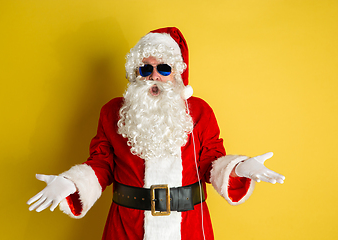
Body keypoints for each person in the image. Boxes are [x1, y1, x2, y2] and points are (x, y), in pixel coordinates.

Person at [27, 27, 285, 240]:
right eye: (145, 69)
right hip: (127, 226)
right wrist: (70, 183)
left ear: (177, 73)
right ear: (135, 74)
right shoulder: (113, 112)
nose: (154, 76)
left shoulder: (199, 111)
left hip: (189, 226)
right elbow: (102, 163)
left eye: (163, 68)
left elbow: (210, 162)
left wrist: (239, 168)